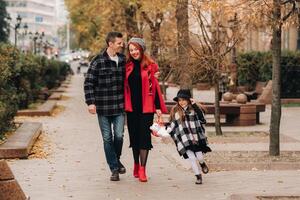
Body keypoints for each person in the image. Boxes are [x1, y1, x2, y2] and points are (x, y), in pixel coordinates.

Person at [84, 32, 126, 181]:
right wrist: (90, 102)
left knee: (119, 136)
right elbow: (88, 82)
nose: (122, 45)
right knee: (107, 138)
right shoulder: (98, 61)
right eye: (119, 43)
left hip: (120, 106)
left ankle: (116, 159)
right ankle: (114, 168)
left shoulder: (123, 60)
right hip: (103, 107)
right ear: (111, 44)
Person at [124, 37, 167, 182]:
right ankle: (136, 164)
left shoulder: (151, 66)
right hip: (131, 109)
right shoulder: (127, 65)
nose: (134, 52)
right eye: (131, 50)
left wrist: (158, 107)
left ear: (141, 49)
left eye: (136, 49)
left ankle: (142, 168)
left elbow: (155, 88)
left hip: (146, 108)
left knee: (144, 138)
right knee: (134, 138)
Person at [166, 89, 211, 184]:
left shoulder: (194, 110)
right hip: (185, 139)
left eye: (184, 100)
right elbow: (172, 124)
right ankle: (198, 176)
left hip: (196, 138)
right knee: (192, 158)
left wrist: (195, 105)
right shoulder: (176, 111)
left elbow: (202, 120)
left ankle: (202, 164)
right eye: (179, 100)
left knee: (199, 157)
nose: (181, 102)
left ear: (189, 100)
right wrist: (165, 129)